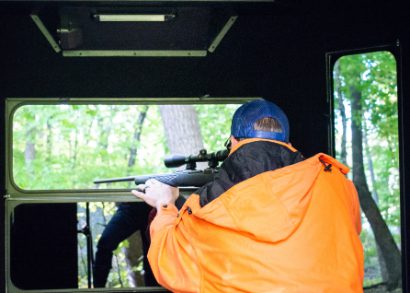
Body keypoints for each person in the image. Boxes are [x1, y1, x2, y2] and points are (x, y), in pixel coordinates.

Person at [132, 98, 364, 292]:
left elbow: (170, 265)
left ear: (233, 141)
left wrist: (164, 205)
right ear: (288, 143)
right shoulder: (339, 184)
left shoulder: (209, 204)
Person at [92, 202, 158, 287]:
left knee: (153, 256)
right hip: (132, 203)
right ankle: (98, 288)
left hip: (159, 206)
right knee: (105, 242)